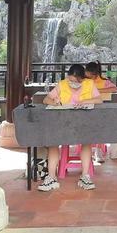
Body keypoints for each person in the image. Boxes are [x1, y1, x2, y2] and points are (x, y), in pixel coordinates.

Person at [38, 63, 103, 192]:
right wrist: (54, 102)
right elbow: (46, 99)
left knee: (86, 141)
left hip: (82, 122)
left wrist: (83, 102)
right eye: (70, 80)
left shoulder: (89, 84)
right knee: (53, 142)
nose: (72, 83)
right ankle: (51, 177)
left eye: (75, 81)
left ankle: (85, 176)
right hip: (62, 122)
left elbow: (99, 100)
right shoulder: (62, 84)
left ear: (82, 79)